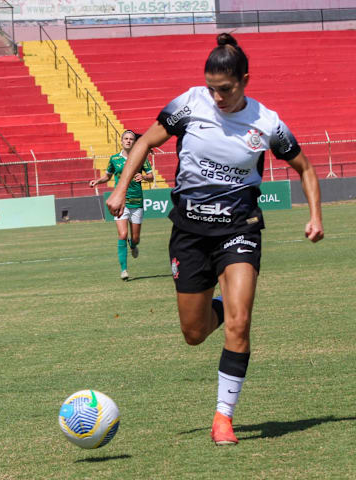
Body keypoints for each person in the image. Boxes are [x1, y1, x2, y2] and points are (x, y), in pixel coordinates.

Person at [106, 33, 323, 445]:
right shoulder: (189, 104)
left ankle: (223, 418)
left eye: (225, 89)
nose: (217, 97)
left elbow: (306, 168)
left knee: (240, 324)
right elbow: (148, 140)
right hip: (189, 233)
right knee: (194, 332)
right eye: (211, 88)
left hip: (239, 229)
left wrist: (315, 215)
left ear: (245, 80)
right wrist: (120, 187)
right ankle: (218, 306)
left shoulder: (267, 122)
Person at [90, 129, 154, 280]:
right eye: (126, 138)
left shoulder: (142, 158)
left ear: (134, 142)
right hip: (121, 202)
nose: (128, 141)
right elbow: (108, 176)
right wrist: (98, 181)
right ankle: (124, 270)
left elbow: (151, 177)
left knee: (135, 238)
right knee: (122, 234)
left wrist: (144, 177)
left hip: (136, 201)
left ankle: (133, 245)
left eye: (131, 139)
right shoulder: (114, 159)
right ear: (121, 140)